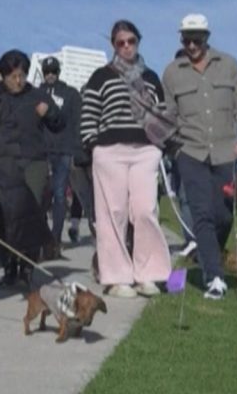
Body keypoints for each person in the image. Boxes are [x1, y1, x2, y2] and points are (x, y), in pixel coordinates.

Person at [163, 13, 237, 300]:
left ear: (207, 37)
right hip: (189, 151)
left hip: (226, 150)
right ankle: (213, 277)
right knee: (201, 213)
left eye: (197, 39)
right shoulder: (172, 72)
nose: (191, 45)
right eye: (186, 39)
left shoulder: (228, 65)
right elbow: (168, 114)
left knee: (224, 214)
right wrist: (172, 146)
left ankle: (207, 254)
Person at [80, 20, 174, 298]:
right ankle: (116, 276)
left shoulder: (151, 77)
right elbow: (89, 113)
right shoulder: (101, 76)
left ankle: (150, 274)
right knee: (113, 214)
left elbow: (161, 112)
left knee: (145, 210)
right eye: (120, 42)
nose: (126, 47)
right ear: (113, 45)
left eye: (131, 41)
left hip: (145, 149)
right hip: (110, 150)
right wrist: (93, 144)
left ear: (138, 42)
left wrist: (161, 145)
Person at [0, 49, 64, 287]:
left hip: (33, 161)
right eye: (12, 76)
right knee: (3, 216)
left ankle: (27, 267)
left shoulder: (37, 95)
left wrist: (49, 112)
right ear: (3, 75)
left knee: (30, 214)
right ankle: (9, 265)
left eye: (21, 75)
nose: (18, 81)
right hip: (3, 162)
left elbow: (60, 123)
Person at [40, 56, 83, 247]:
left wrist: (76, 150)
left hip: (64, 150)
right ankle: (40, 236)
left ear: (58, 72)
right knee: (43, 195)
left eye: (53, 72)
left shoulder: (71, 94)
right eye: (47, 72)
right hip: (42, 151)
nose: (50, 75)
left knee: (59, 193)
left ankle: (55, 238)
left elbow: (77, 123)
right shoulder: (37, 93)